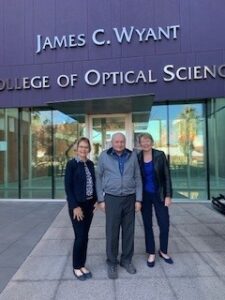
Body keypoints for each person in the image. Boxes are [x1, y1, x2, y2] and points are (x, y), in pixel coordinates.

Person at [96, 132, 142, 279]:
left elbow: (138, 177)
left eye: (122, 141)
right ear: (112, 142)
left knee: (129, 231)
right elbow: (98, 177)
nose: (119, 144)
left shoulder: (132, 155)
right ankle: (112, 262)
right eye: (116, 141)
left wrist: (138, 200)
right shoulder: (104, 156)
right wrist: (100, 200)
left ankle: (126, 260)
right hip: (111, 198)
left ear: (125, 142)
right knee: (112, 232)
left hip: (130, 198)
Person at [137, 133, 173, 267]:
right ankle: (151, 252)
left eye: (147, 141)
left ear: (152, 142)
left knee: (164, 224)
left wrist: (168, 195)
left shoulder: (160, 155)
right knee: (147, 225)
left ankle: (163, 250)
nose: (145, 143)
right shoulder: (138, 157)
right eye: (142, 141)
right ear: (140, 144)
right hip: (145, 196)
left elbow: (167, 176)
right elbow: (136, 178)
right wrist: (137, 199)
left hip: (159, 194)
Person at [64, 137, 96, 281]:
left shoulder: (90, 164)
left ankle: (82, 264)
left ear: (89, 149)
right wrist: (74, 206)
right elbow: (68, 187)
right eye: (81, 147)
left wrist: (95, 201)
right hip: (77, 206)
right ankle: (76, 267)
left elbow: (93, 183)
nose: (83, 149)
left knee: (85, 236)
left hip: (89, 205)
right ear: (76, 149)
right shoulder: (71, 164)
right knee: (80, 236)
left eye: (86, 147)